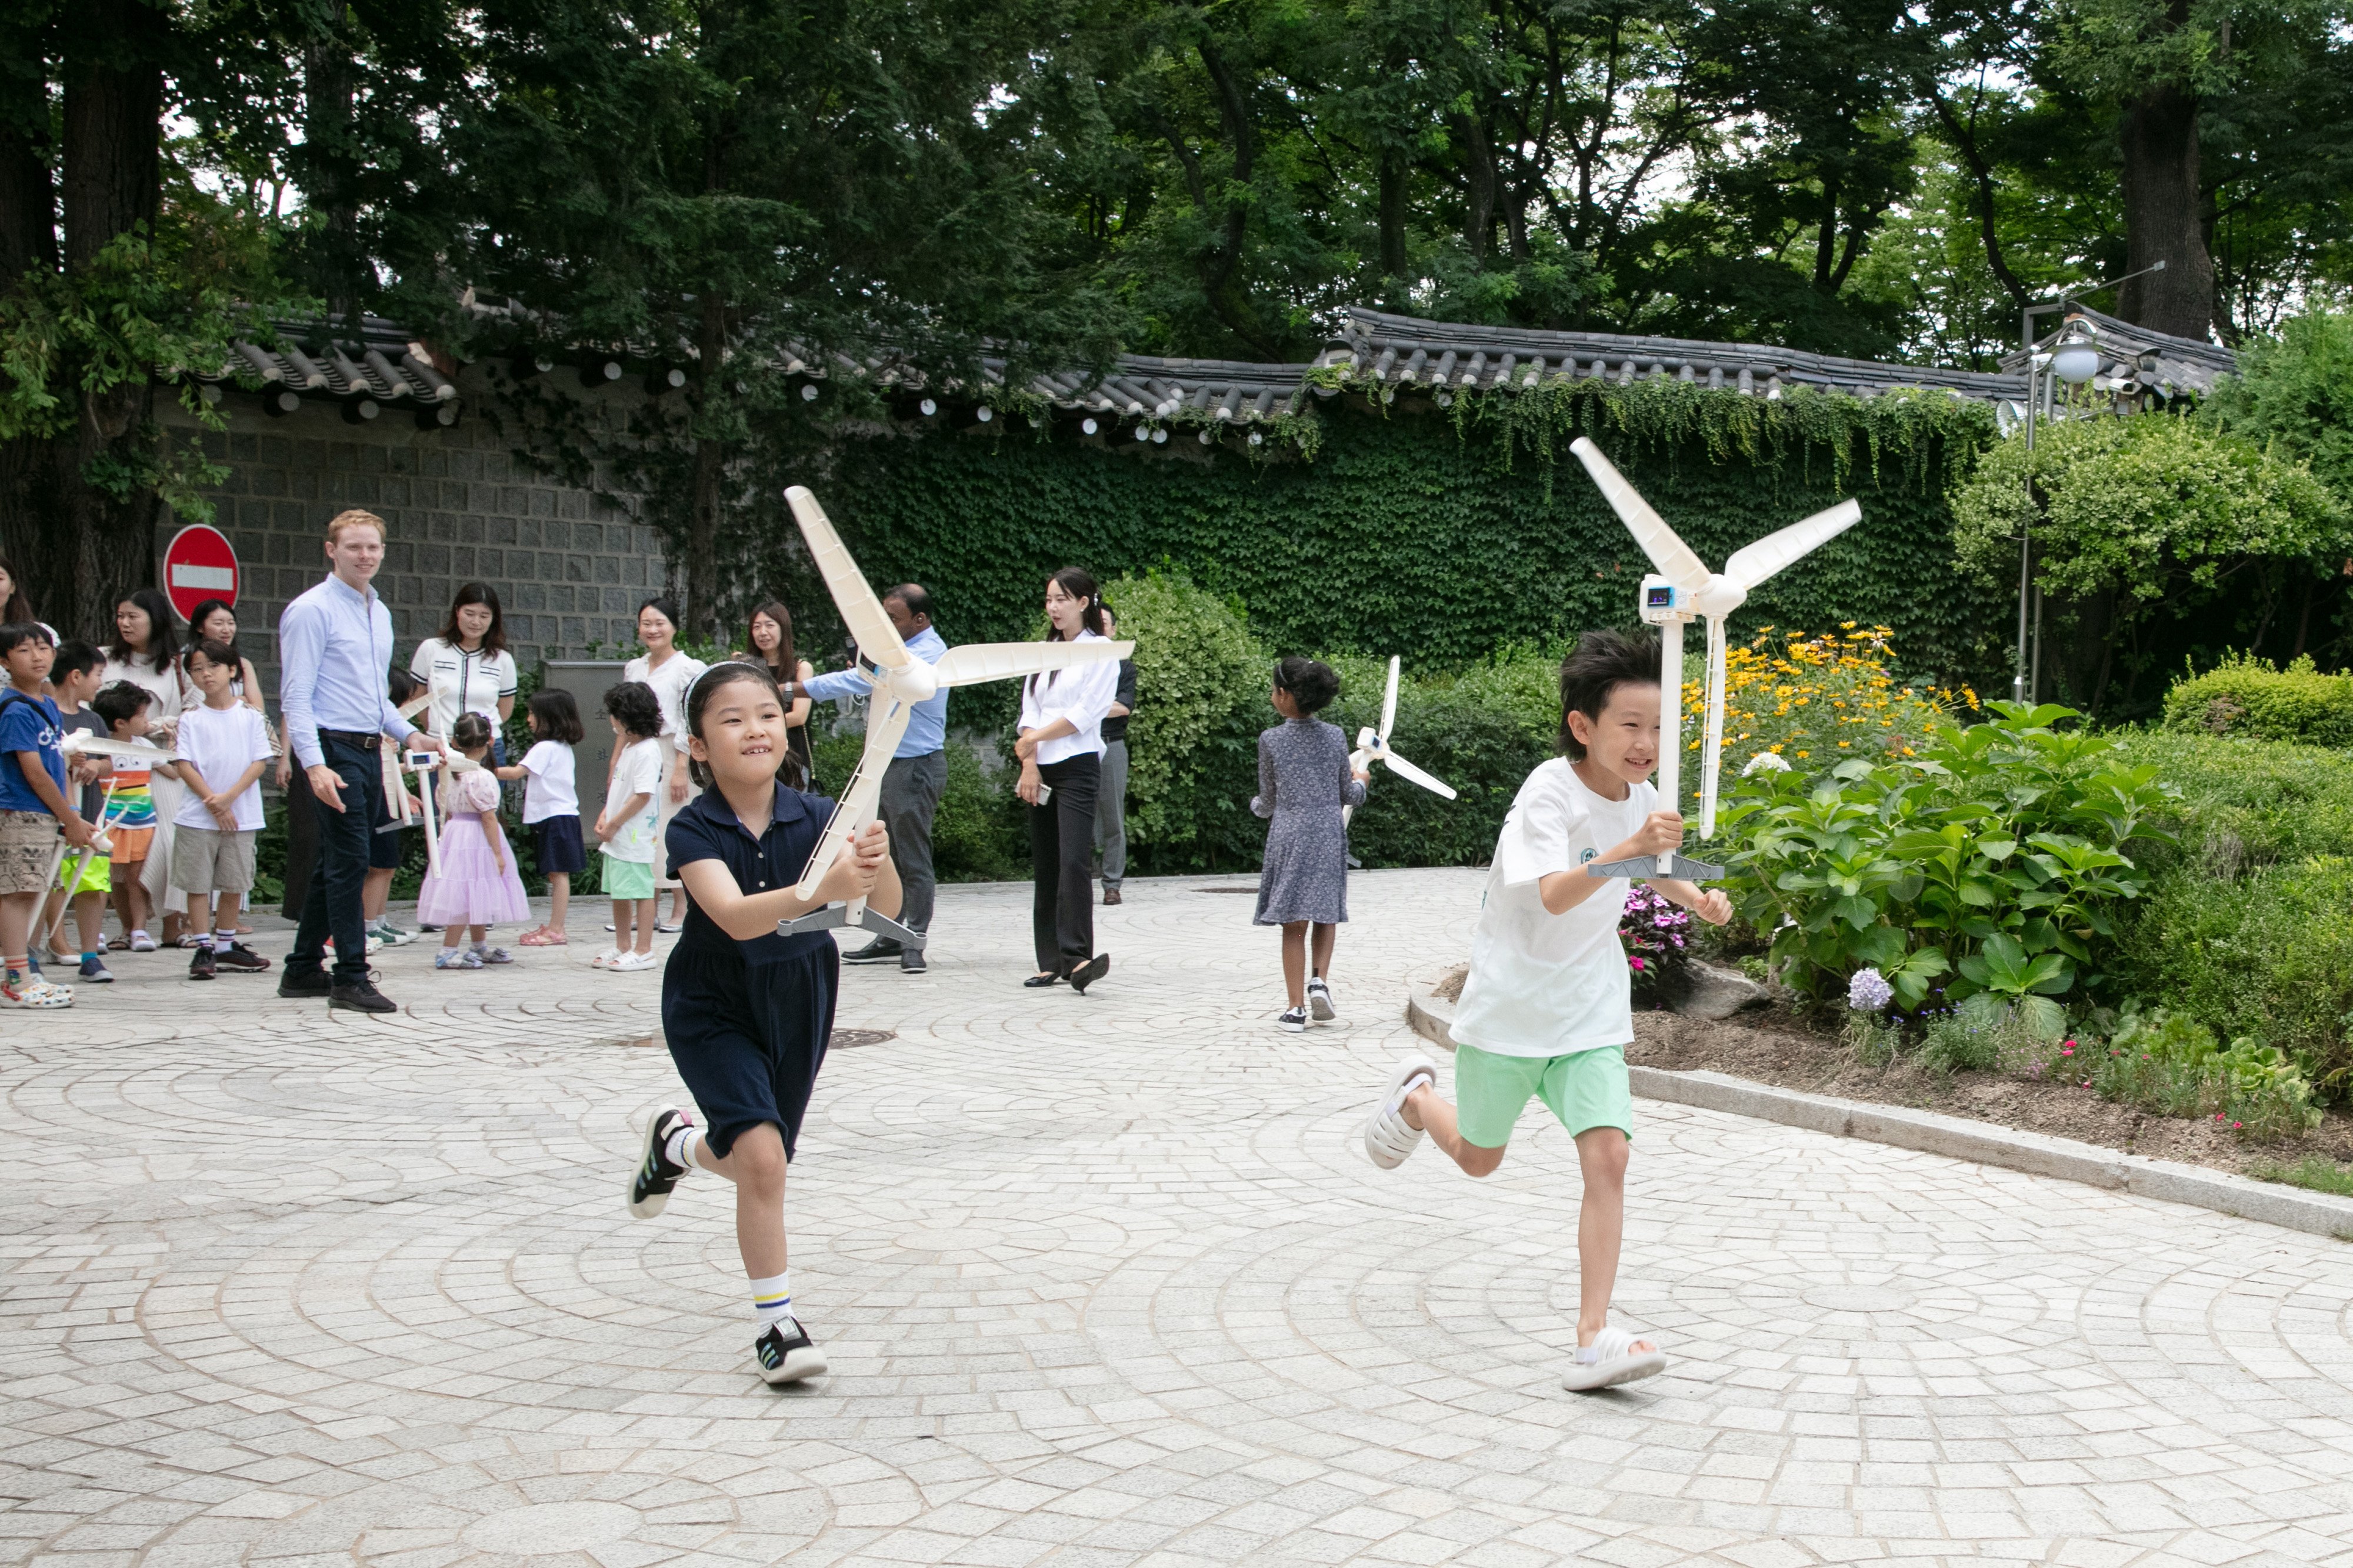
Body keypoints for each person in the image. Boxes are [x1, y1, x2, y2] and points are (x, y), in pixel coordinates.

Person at [1358, 629, 1732, 1392]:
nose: (1646, 743)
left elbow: (1654, 866)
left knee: (1610, 1156)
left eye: (1658, 727)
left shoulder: (1642, 800)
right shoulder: (1546, 792)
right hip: (1511, 1009)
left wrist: (1702, 895)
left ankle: (1594, 1336)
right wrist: (1633, 844)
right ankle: (1419, 1096)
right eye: (1630, 725)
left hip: (1589, 1011)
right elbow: (1558, 892)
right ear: (1583, 726)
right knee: (1479, 1157)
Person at [624, 662, 900, 1387]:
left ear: (787, 728)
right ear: (700, 746)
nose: (756, 728)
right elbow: (738, 920)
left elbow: (889, 908)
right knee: (764, 1159)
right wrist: (823, 886)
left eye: (768, 715)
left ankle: (678, 1146)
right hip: (713, 1002)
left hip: (801, 995)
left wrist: (874, 855)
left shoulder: (820, 817)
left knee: (761, 1158)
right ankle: (777, 1325)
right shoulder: (692, 828)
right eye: (733, 718)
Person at [275, 508, 444, 1013]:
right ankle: (350, 974)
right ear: (332, 550)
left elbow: (373, 698)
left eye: (372, 547)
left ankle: (303, 967)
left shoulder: (379, 611)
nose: (364, 556)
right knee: (350, 862)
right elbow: (296, 696)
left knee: (338, 861)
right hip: (333, 749)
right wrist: (313, 764)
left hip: (370, 747)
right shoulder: (311, 610)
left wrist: (411, 734)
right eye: (353, 547)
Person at [791, 584, 944, 973]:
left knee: (912, 858)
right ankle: (892, 934)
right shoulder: (898, 654)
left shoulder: (925, 656)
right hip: (888, 764)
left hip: (914, 766)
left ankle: (915, 940)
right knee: (884, 854)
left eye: (893, 619)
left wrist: (794, 688)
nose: (886, 626)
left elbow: (860, 681)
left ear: (920, 620)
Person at [1016, 568, 1121, 993]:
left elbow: (1084, 714)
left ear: (1083, 602)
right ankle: (1050, 961)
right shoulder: (1045, 650)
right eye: (1048, 600)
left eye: (1061, 599)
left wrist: (1033, 743)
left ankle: (1077, 958)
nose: (1054, 607)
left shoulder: (1102, 651)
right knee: (1046, 863)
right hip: (1039, 764)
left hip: (1077, 764)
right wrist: (1029, 761)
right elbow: (1029, 711)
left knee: (1074, 860)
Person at [1251, 658, 1369, 1032]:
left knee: (1293, 923)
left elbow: (1267, 801)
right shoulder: (1335, 736)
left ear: (1285, 696)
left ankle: (1295, 1008)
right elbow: (1348, 793)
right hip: (1328, 833)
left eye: (1274, 690)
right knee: (1325, 912)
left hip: (1289, 835)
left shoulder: (1271, 740)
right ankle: (1319, 980)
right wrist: (1363, 780)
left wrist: (1255, 807)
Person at [169, 639, 275, 979]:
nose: (205, 675)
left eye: (213, 667)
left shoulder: (250, 717)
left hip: (242, 813)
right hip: (197, 815)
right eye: (197, 670)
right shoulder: (190, 719)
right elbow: (183, 763)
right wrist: (213, 802)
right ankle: (203, 946)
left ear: (232, 670)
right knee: (198, 884)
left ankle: (226, 944)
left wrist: (229, 797)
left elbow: (261, 761)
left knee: (234, 882)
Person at [2, 623, 89, 1008]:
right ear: (5, 661)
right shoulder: (16, 709)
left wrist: (71, 812)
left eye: (43, 648)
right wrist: (68, 819)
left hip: (45, 812)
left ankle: (23, 973)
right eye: (24, 650)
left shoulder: (48, 705)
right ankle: (16, 980)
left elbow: (57, 764)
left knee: (31, 891)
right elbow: (33, 771)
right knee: (17, 893)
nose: (37, 657)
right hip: (20, 811)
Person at [103, 588, 192, 947]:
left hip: (166, 764)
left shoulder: (179, 664)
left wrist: (157, 726)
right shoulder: (105, 658)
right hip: (119, 764)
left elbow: (195, 712)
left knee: (169, 843)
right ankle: (130, 928)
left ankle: (175, 926)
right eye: (120, 616)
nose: (124, 623)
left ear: (155, 620)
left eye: (133, 616)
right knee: (120, 851)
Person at [416, 712, 531, 969]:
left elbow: (445, 809)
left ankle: (479, 945)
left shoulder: (448, 773)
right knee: (467, 891)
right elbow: (489, 818)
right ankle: (448, 951)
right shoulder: (482, 777)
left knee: (471, 888)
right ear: (490, 740)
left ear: (455, 742)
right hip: (477, 836)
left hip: (456, 833)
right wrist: (498, 853)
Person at [620, 598, 707, 932]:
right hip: (640, 751)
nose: (652, 630)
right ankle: (646, 906)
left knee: (672, 827)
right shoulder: (634, 668)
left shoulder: (688, 667)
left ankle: (682, 907)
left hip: (672, 753)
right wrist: (618, 758)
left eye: (660, 623)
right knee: (644, 827)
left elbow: (690, 717)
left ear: (674, 627)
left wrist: (681, 766)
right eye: (646, 623)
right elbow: (624, 717)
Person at [41, 642, 113, 982]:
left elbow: (109, 761)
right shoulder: (42, 712)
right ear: (75, 676)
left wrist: (96, 765)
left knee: (93, 884)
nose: (101, 682)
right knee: (47, 883)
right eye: (98, 674)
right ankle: (32, 953)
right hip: (52, 816)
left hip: (92, 813)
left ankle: (89, 956)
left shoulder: (94, 719)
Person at [499, 689, 585, 947]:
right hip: (562, 817)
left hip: (556, 818)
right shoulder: (561, 747)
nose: (528, 719)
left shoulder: (544, 748)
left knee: (558, 875)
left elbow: (515, 774)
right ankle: (554, 926)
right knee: (556, 874)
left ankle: (556, 930)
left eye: (533, 713)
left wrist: (479, 767)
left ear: (548, 717)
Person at [595, 680, 665, 972]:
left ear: (625, 718)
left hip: (633, 834)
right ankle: (624, 945)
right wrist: (605, 816)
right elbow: (622, 791)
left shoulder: (648, 751)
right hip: (619, 835)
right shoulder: (631, 748)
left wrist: (613, 824)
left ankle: (644, 949)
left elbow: (643, 795)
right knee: (620, 892)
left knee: (641, 891)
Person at [90, 683, 160, 953]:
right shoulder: (99, 748)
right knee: (105, 878)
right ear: (120, 723)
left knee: (135, 878)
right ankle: (97, 931)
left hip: (142, 823)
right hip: (107, 825)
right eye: (142, 716)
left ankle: (139, 930)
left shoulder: (145, 745)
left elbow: (172, 771)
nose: (147, 721)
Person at [410, 583, 519, 750]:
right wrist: (438, 730)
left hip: (487, 747)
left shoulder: (502, 659)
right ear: (457, 611)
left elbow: (505, 710)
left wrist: (478, 733)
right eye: (470, 613)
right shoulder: (431, 649)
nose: (476, 622)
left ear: (493, 619)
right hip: (440, 744)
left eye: (484, 616)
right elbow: (419, 700)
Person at [735, 601, 815, 790]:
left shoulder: (801, 668)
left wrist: (755, 725)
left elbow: (799, 716)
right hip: (753, 754)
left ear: (783, 629)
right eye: (756, 627)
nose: (763, 632)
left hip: (792, 756)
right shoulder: (743, 666)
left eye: (770, 625)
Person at [1095, 604, 1136, 906]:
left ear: (1113, 630)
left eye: (1105, 624)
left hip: (1111, 744)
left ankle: (1112, 884)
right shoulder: (1075, 663)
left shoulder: (1125, 667)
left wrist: (1083, 709)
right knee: (1075, 817)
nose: (1100, 629)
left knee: (1113, 818)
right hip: (1077, 745)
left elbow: (1123, 707)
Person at [184, 599, 267, 715]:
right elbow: (201, 705)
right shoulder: (185, 661)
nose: (227, 630)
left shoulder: (243, 664)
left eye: (231, 623)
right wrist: (242, 700)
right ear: (200, 627)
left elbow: (258, 709)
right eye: (218, 624)